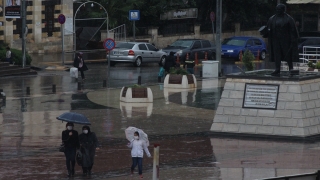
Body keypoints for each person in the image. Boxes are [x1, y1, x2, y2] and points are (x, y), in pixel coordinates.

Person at [262, 3, 299, 76]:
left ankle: (290, 68)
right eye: (277, 9)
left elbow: (293, 30)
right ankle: (277, 69)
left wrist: (293, 40)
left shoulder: (289, 19)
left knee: (287, 54)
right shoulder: (272, 18)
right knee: (277, 55)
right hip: (275, 40)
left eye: (279, 9)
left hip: (286, 40)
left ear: (283, 10)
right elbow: (268, 29)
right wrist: (265, 32)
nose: (278, 11)